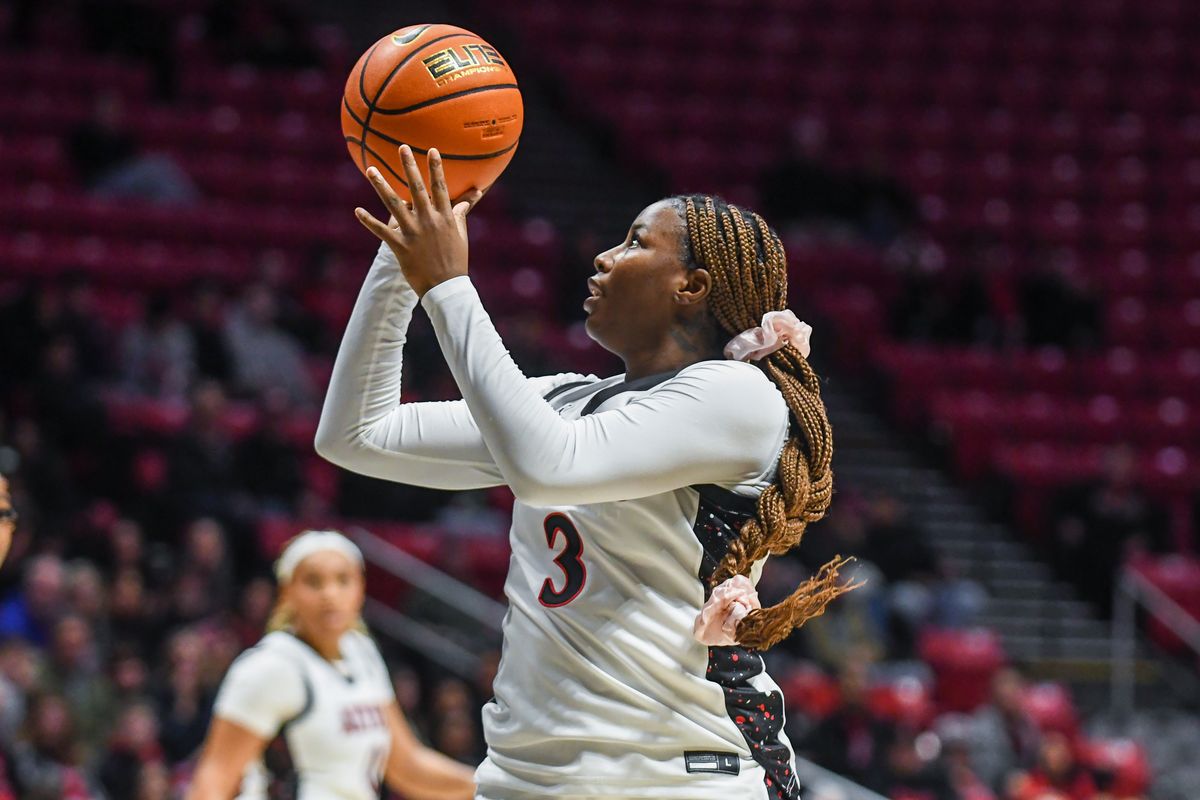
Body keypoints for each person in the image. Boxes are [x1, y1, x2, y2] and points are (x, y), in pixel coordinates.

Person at [316, 145, 858, 799]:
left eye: (635, 243)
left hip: (678, 779)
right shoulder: (569, 403)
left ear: (692, 286)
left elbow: (548, 466)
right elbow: (356, 436)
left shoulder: (738, 397)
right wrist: (404, 255)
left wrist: (448, 285)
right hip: (527, 779)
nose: (603, 257)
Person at [185, 529, 474, 800]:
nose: (329, 594)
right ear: (287, 592)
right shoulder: (269, 667)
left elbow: (406, 765)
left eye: (342, 580)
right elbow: (214, 778)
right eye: (313, 581)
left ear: (361, 590)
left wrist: (492, 786)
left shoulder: (361, 652)